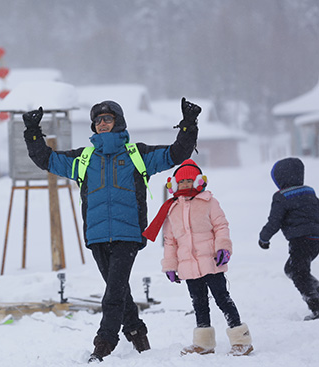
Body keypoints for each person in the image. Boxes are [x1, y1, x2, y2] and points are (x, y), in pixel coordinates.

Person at [22, 98, 201, 363]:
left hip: (128, 235)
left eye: (107, 118)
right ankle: (137, 333)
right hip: (96, 236)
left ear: (119, 122)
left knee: (113, 293)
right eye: (98, 120)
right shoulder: (84, 158)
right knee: (118, 290)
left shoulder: (136, 155)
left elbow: (177, 153)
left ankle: (104, 343)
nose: (102, 123)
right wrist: (33, 132)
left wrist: (188, 124)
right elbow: (46, 159)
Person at [144, 159, 253, 356]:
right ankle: (204, 343)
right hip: (188, 267)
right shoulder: (172, 209)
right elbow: (170, 241)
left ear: (198, 182)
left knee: (223, 299)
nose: (185, 184)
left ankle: (241, 340)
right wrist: (170, 265)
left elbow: (221, 227)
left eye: (189, 181)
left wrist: (223, 248)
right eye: (181, 181)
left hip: (211, 262)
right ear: (174, 184)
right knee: (199, 302)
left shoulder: (209, 202)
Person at [259, 157, 319, 321]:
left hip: (300, 240)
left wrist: (264, 238)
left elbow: (274, 221)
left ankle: (316, 304)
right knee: (292, 269)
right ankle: (316, 291)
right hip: (315, 239)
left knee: (299, 273)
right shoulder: (309, 192)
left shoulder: (281, 196)